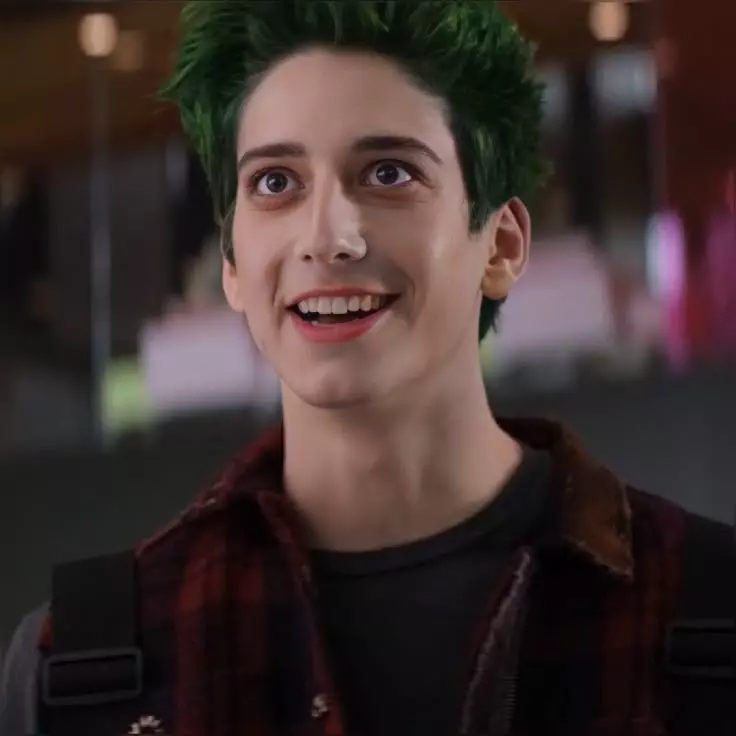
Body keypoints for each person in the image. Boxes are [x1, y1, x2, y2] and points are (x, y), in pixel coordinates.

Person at [1, 2, 734, 735]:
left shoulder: (702, 611)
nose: (327, 237)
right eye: (275, 183)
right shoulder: (81, 667)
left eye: (388, 172)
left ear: (501, 245)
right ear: (231, 266)